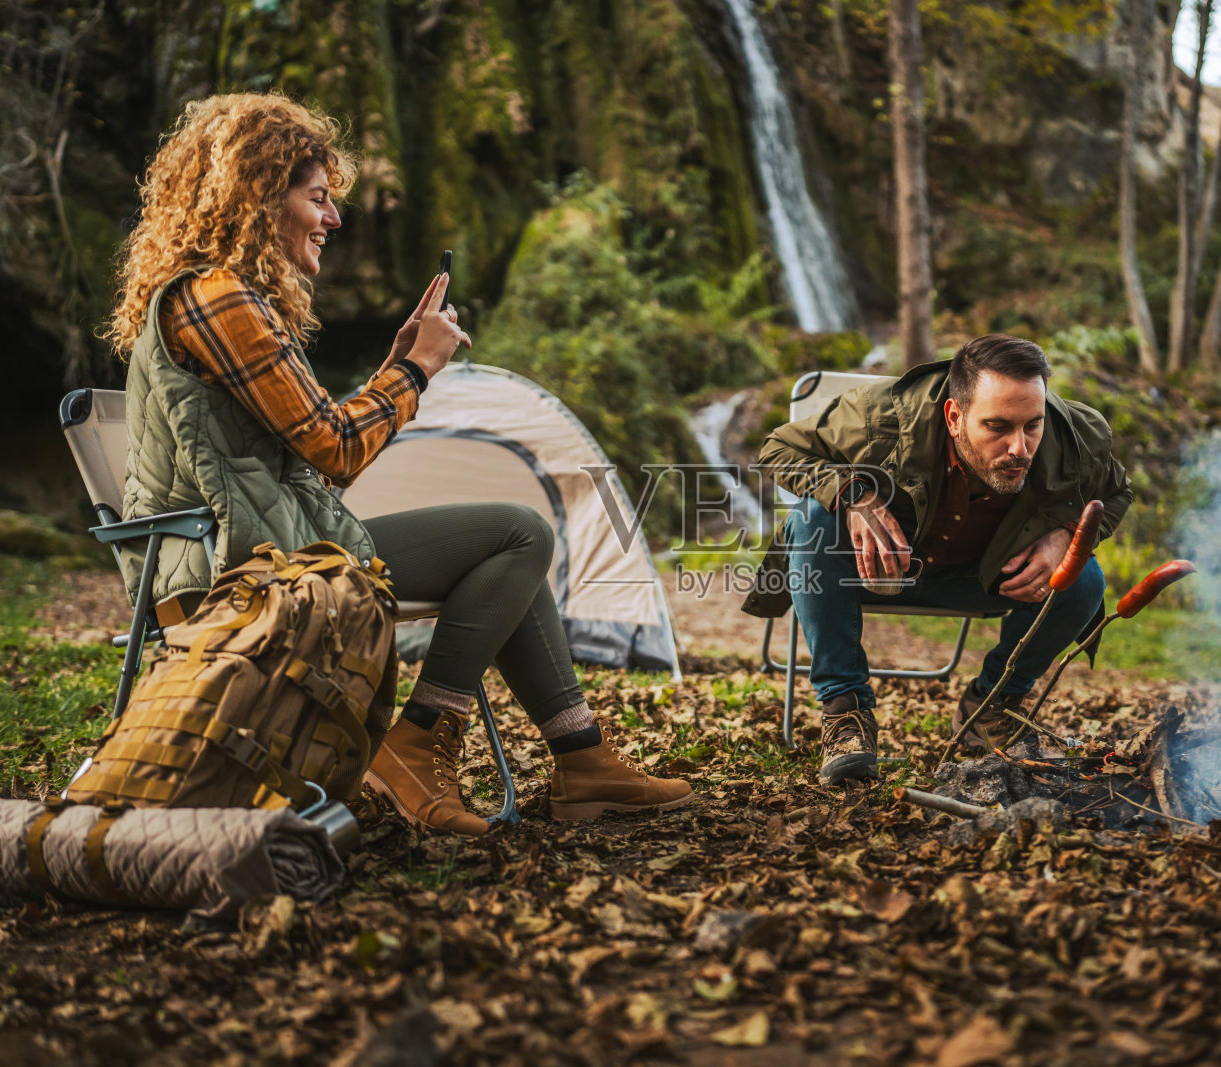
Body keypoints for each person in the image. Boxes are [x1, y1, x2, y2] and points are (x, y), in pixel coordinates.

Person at [103, 93, 691, 832]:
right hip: (244, 565)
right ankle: (423, 743)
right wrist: (415, 370)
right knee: (517, 534)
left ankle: (581, 757)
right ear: (257, 198)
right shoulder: (219, 299)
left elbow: (316, 452)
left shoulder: (215, 298)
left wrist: (397, 363)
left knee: (508, 546)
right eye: (318, 199)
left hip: (269, 543)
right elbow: (336, 449)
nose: (335, 219)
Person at [742, 336, 1133, 784]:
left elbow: (1117, 492)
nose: (1020, 448)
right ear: (954, 417)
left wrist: (1067, 533)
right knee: (812, 519)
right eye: (998, 427)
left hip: (986, 576)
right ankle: (845, 712)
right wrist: (852, 492)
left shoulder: (1076, 436)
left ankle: (990, 709)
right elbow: (777, 449)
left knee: (1084, 574)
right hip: (873, 571)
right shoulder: (877, 417)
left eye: (1032, 426)